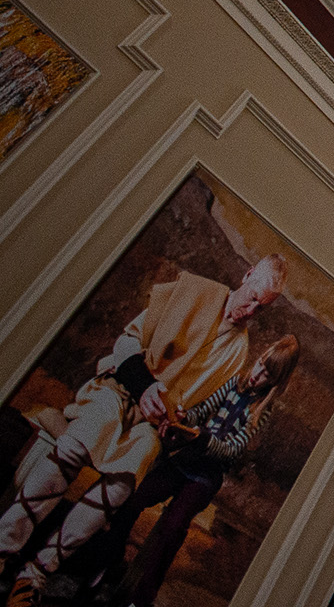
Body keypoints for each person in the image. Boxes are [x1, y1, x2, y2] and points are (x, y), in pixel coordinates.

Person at [0, 255, 287, 607]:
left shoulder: (237, 351)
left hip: (153, 421)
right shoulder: (194, 291)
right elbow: (127, 343)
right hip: (121, 389)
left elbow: (201, 405)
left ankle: (36, 573)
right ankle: (4, 547)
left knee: (122, 485)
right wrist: (145, 385)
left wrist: (180, 418)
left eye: (262, 307)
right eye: (253, 296)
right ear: (246, 275)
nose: (252, 309)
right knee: (77, 445)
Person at [90, 335, 300, 607]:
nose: (258, 374)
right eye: (260, 364)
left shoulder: (262, 409)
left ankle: (141, 600)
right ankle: (105, 567)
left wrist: (201, 439)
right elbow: (202, 410)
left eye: (267, 374)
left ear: (276, 382)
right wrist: (183, 418)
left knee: (173, 529)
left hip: (204, 476)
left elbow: (234, 449)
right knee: (133, 499)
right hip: (183, 459)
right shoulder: (234, 381)